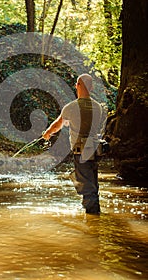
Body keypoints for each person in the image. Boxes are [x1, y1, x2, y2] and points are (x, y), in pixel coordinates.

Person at [42, 73, 104, 215]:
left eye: (77, 84)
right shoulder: (98, 107)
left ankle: (93, 221)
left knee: (88, 189)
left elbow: (57, 125)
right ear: (92, 87)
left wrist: (47, 133)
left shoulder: (71, 107)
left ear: (78, 86)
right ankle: (93, 215)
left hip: (81, 151)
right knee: (92, 184)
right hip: (95, 150)